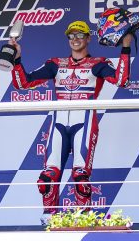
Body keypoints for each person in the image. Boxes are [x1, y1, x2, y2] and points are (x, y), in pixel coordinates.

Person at [9, 21, 132, 223]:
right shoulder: (56, 64)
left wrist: (125, 47)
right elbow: (23, 83)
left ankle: (84, 219)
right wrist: (16, 59)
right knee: (47, 178)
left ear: (88, 38)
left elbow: (122, 81)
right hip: (58, 123)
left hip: (85, 122)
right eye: (71, 36)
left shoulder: (99, 63)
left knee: (80, 177)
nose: (75, 39)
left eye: (80, 35)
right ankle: (49, 220)